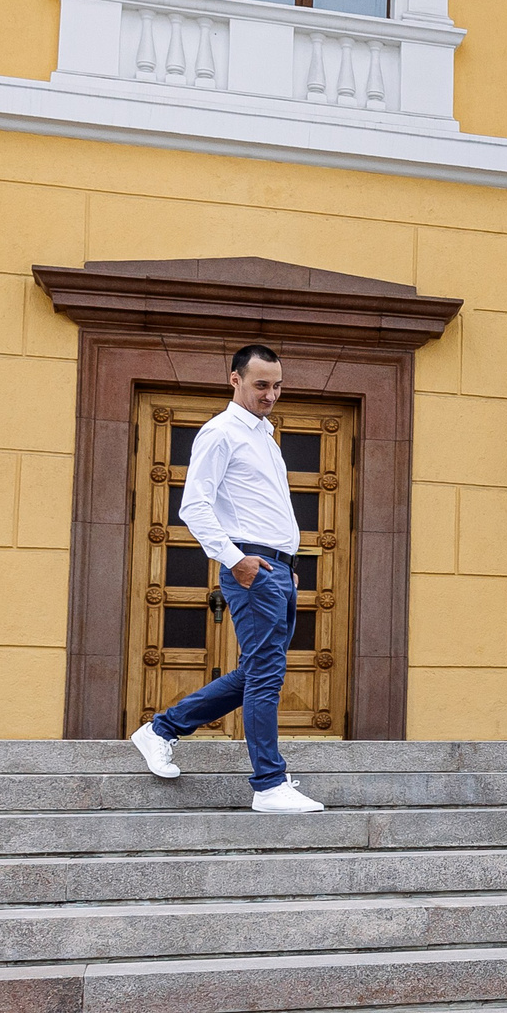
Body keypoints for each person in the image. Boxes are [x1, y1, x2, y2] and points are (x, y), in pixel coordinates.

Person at [127, 344, 325, 813]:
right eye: (261, 385)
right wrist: (237, 561)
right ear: (234, 380)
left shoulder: (265, 436)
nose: (271, 394)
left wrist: (288, 568)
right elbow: (193, 506)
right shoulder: (220, 433)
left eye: (277, 386)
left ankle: (161, 729)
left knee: (257, 671)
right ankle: (269, 785)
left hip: (277, 569)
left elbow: (265, 511)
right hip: (252, 567)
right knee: (266, 675)